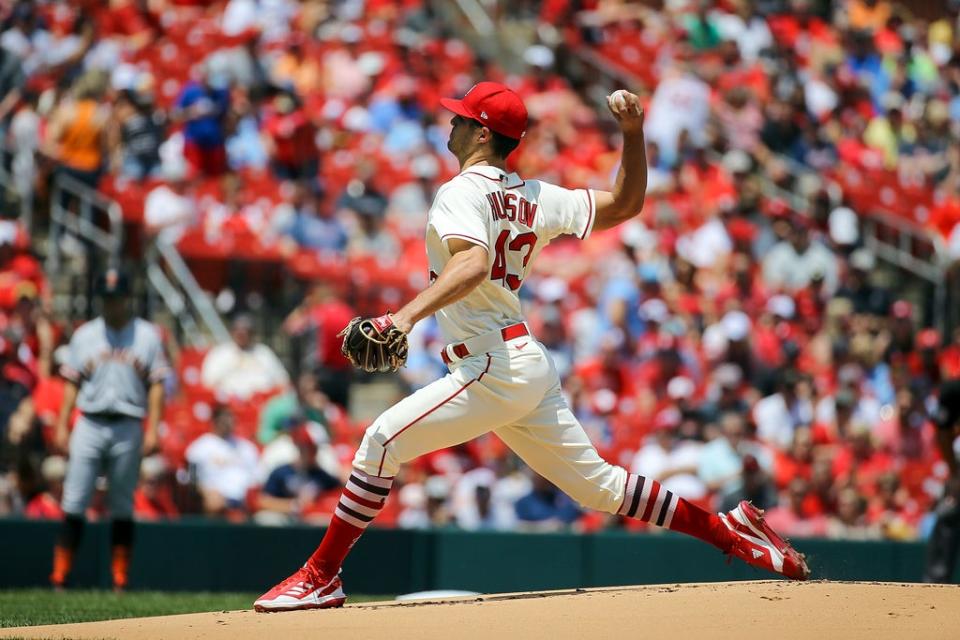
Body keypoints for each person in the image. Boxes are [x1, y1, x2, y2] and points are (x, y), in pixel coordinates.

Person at [254, 83, 809, 612]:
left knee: (378, 441)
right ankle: (727, 530)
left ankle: (320, 578)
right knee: (599, 487)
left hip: (491, 363)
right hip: (521, 362)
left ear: (480, 135)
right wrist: (633, 135)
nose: (450, 121)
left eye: (462, 117)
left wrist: (398, 319)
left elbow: (471, 263)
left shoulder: (460, 191)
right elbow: (624, 205)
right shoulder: (534, 195)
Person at [49, 269, 168, 591]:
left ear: (127, 299)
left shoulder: (147, 335)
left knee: (122, 503)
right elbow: (71, 383)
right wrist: (63, 425)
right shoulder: (85, 334)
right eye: (106, 297)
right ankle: (60, 575)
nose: (110, 303)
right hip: (89, 421)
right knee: (74, 499)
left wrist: (154, 429)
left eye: (116, 298)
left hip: (129, 423)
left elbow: (157, 385)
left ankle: (120, 578)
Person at [185, 404, 259, 518]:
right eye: (225, 417)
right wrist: (205, 492)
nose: (229, 421)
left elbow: (256, 478)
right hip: (217, 499)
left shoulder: (247, 448)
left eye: (231, 417)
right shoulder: (199, 447)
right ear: (214, 420)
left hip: (245, 499)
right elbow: (192, 480)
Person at [201, 314, 289, 399]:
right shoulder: (220, 353)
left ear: (252, 333)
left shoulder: (263, 353)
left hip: (261, 403)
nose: (242, 335)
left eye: (246, 331)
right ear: (232, 332)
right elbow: (208, 383)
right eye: (238, 331)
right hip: (228, 405)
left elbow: (282, 381)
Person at [924, 379, 960, 582]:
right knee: (949, 514)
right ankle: (935, 586)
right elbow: (943, 434)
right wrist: (955, 474)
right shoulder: (953, 391)